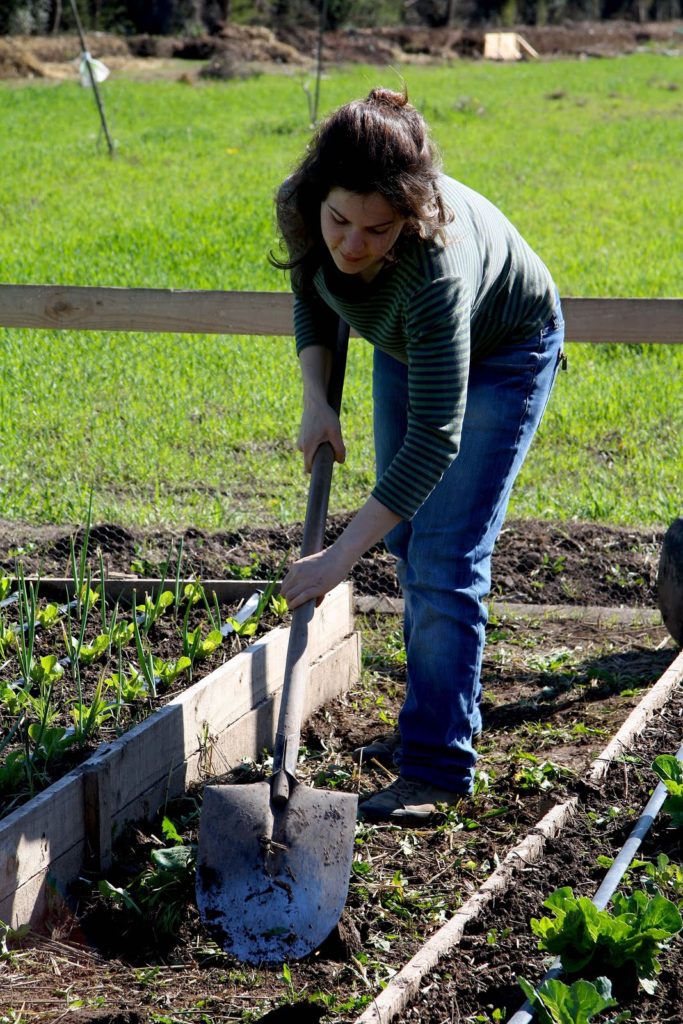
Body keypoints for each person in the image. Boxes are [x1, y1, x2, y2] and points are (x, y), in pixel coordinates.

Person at [273, 87, 565, 824]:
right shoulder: (311, 214)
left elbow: (435, 440)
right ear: (317, 198)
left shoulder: (430, 271)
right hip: (409, 344)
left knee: (442, 554)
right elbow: (314, 287)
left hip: (503, 347)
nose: (350, 243)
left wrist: (338, 559)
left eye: (376, 230)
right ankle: (429, 721)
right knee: (404, 536)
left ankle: (435, 767)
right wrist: (317, 398)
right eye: (339, 220)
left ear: (408, 217)